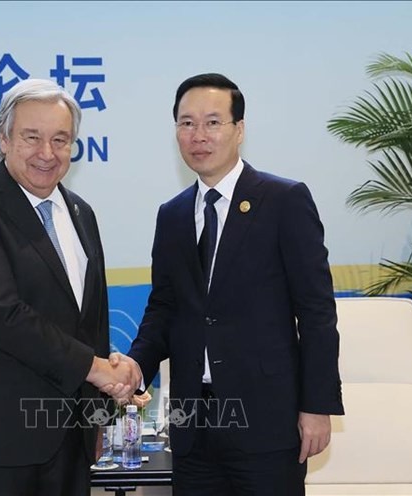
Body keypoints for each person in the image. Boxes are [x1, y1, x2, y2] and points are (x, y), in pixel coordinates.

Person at [107, 73, 344, 495]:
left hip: (267, 423)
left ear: (239, 130)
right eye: (186, 123)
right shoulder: (173, 214)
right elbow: (164, 307)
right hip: (192, 427)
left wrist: (316, 406)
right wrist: (136, 366)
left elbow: (316, 310)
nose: (198, 135)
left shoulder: (283, 200)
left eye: (213, 122)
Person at [0, 78, 140, 496]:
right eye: (32, 137)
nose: (47, 153)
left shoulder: (81, 212)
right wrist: (97, 370)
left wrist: (96, 419)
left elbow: (90, 322)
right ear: (3, 139)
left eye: (61, 139)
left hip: (67, 442)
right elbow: (4, 315)